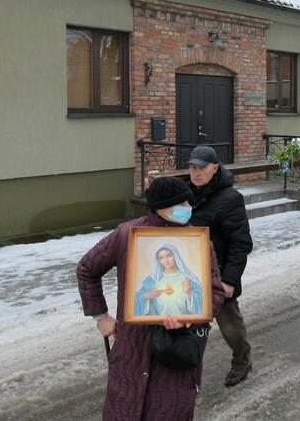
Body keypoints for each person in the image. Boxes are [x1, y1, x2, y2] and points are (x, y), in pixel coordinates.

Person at [77, 177, 225, 420]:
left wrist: (193, 317)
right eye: (181, 203)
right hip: (131, 352)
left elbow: (215, 292)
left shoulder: (197, 242)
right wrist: (101, 316)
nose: (188, 207)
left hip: (175, 356)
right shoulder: (127, 235)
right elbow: (86, 269)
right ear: (160, 207)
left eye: (189, 201)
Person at [187, 146, 255, 387]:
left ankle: (242, 360)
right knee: (189, 329)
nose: (196, 172)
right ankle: (186, 371)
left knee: (230, 327)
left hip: (219, 276)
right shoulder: (190, 194)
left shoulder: (230, 198)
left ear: (215, 168)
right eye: (192, 167)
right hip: (191, 275)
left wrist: (229, 280)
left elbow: (241, 243)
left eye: (201, 167)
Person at [135, 245, 204, 316]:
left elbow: (203, 300)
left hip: (185, 323)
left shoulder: (188, 278)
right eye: (161, 258)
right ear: (158, 260)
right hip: (157, 324)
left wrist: (189, 293)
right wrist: (149, 295)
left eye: (169, 256)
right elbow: (135, 299)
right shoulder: (152, 279)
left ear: (176, 256)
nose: (166, 261)